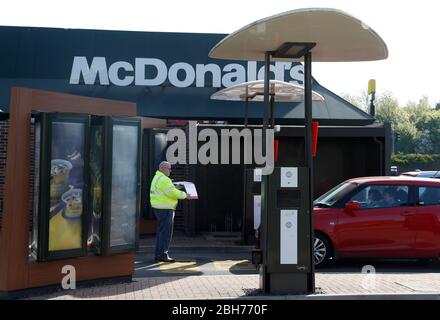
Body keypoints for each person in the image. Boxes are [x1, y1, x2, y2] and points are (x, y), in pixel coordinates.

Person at [150, 161, 191, 263]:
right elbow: (172, 193)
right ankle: (163, 255)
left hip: (159, 208)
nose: (170, 170)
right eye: (169, 168)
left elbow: (167, 190)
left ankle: (159, 254)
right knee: (166, 234)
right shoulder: (164, 179)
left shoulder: (157, 177)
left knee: (161, 233)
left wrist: (174, 187)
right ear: (163, 168)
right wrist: (186, 195)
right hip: (166, 209)